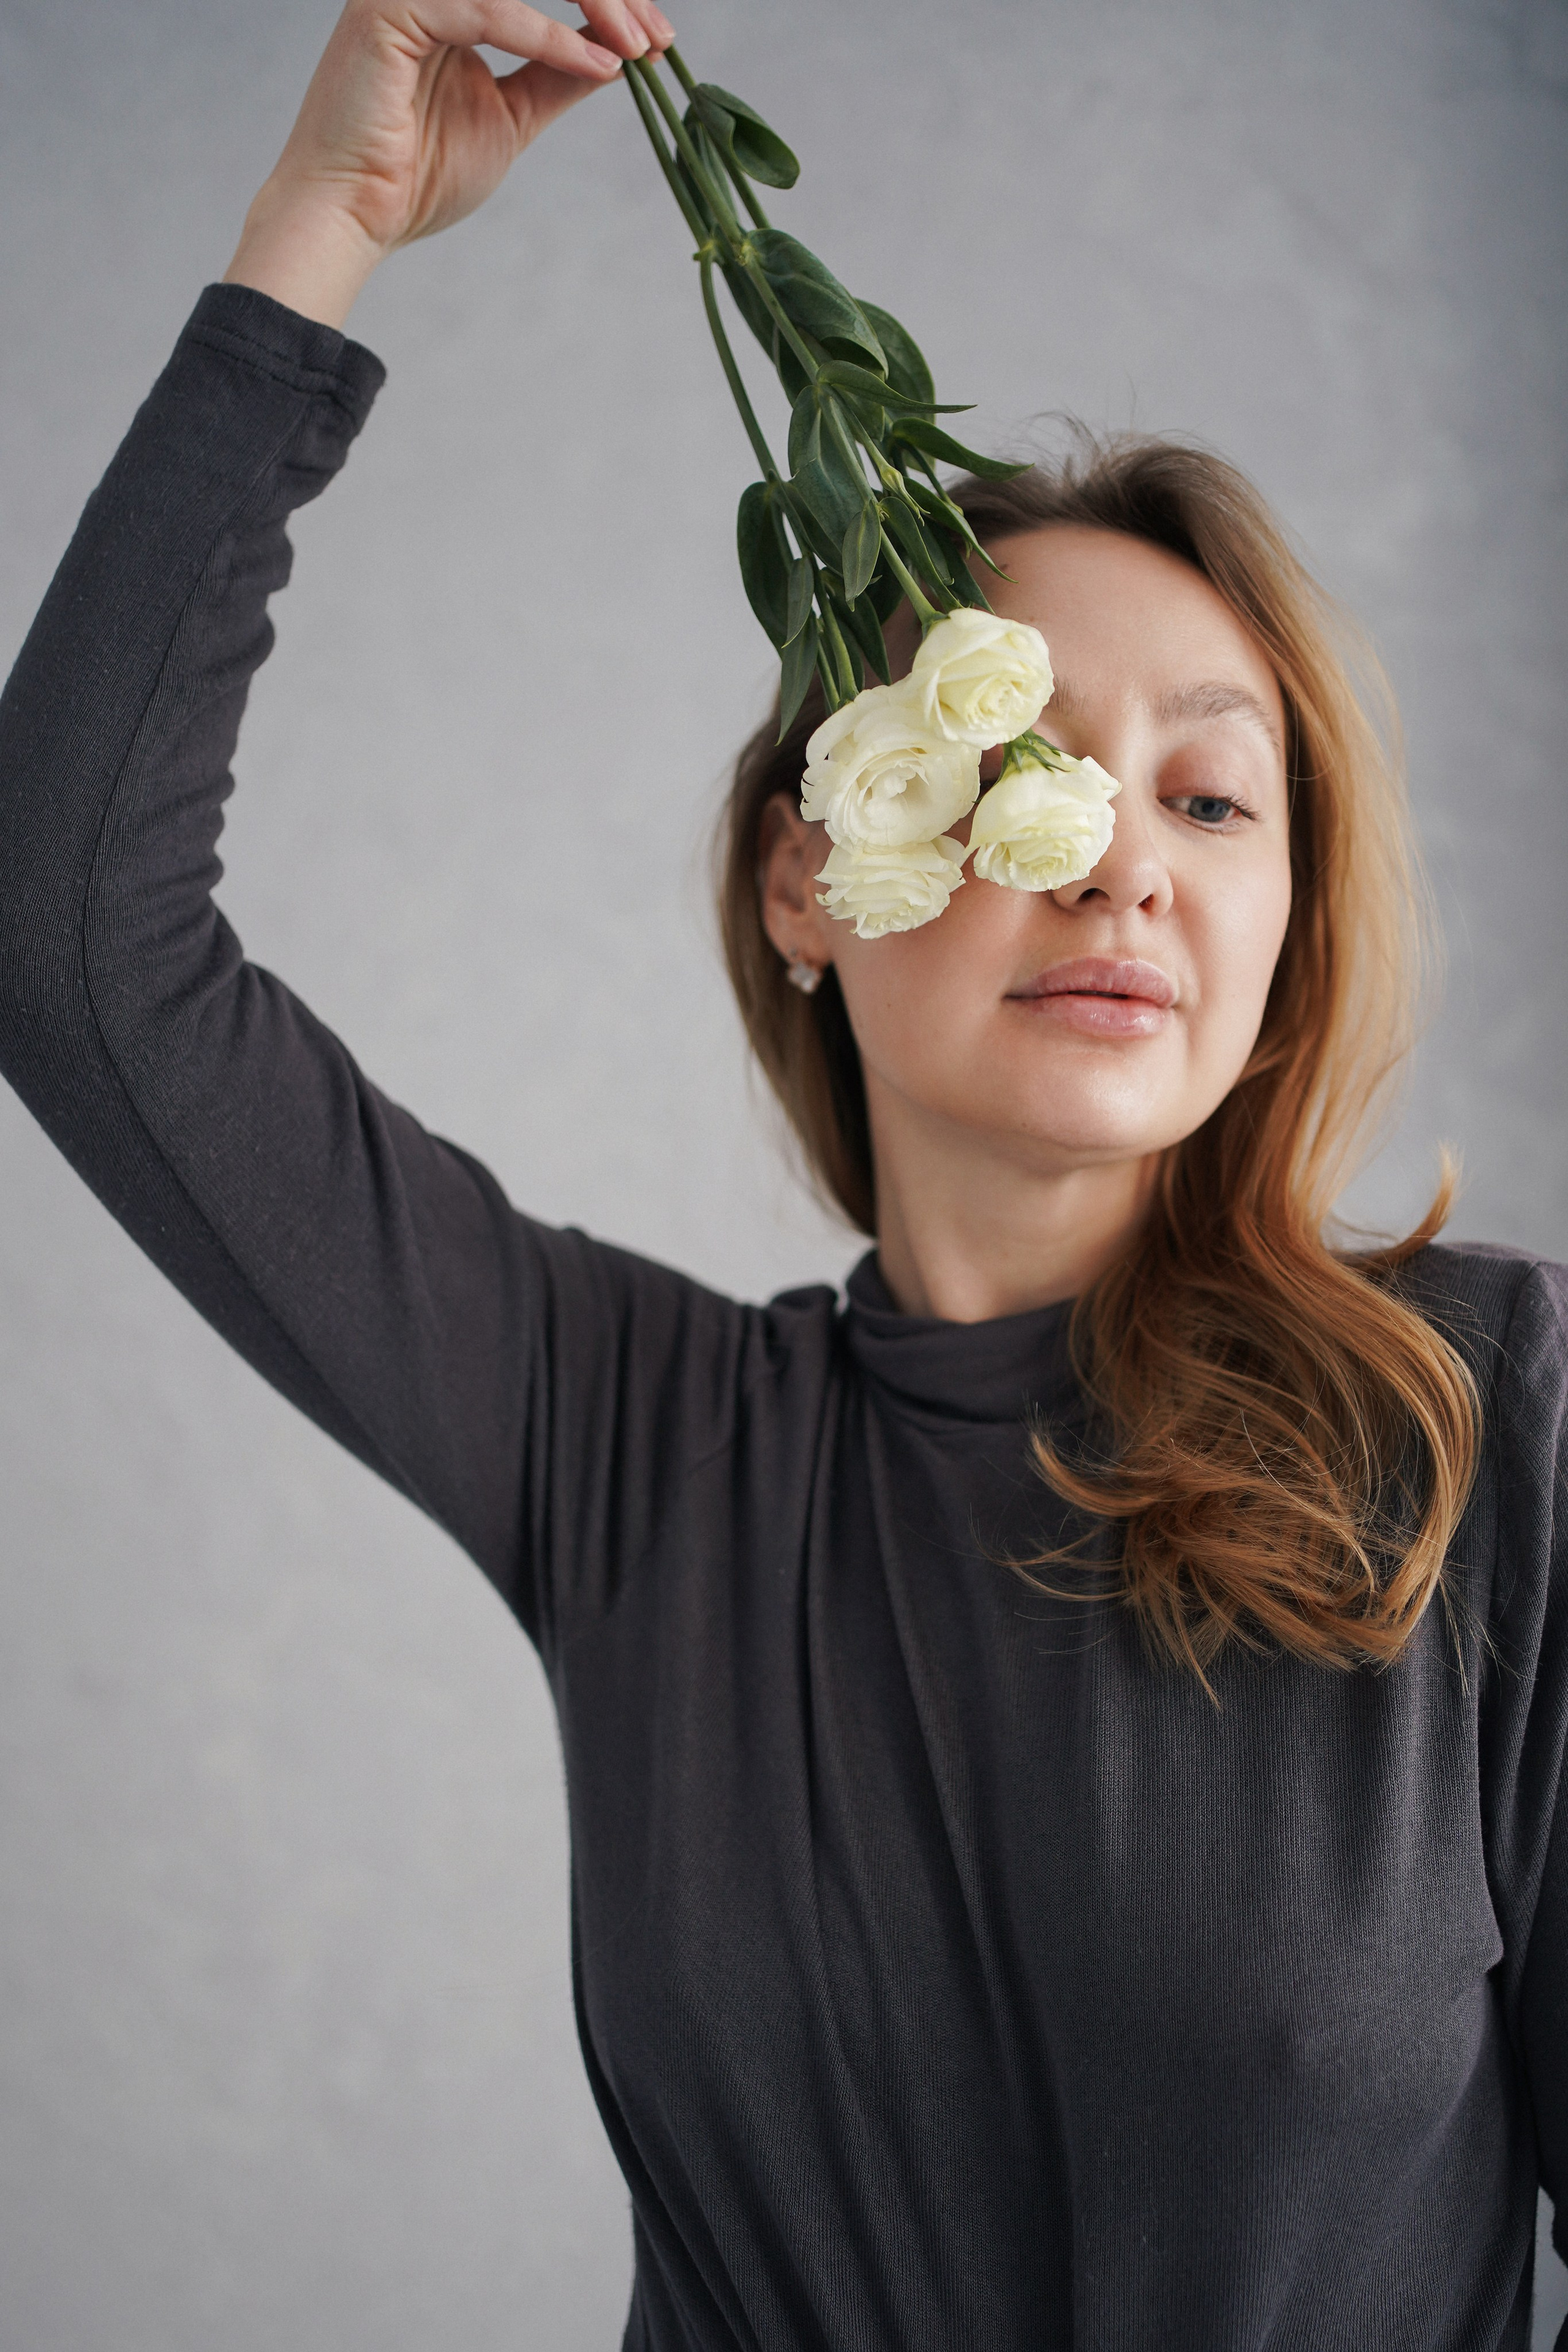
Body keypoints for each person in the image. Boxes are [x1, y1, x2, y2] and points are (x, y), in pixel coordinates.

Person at [1, 2, 1562, 2345]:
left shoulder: (1475, 1416)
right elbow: (65, 938)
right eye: (1011, 758)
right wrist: (324, 227)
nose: (1122, 859)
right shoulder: (633, 1446)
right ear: (807, 879)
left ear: (1280, 932)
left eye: (1213, 795)